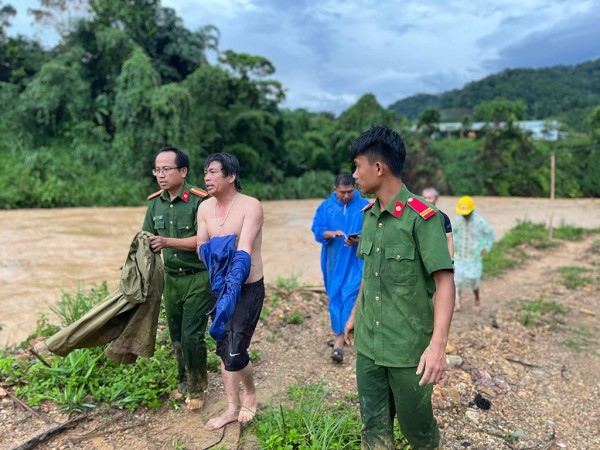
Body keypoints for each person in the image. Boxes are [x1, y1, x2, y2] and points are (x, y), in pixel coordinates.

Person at [344, 126, 455, 449]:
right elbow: (370, 274)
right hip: (368, 345)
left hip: (408, 350)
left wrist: (438, 347)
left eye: (357, 166)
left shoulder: (424, 218)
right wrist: (353, 315)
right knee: (373, 425)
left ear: (378, 168)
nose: (354, 175)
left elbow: (444, 281)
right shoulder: (368, 215)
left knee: (417, 429)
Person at [196, 152, 264, 430]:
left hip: (246, 288)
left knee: (236, 352)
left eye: (213, 172)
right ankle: (232, 408)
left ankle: (250, 392)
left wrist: (230, 265)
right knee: (224, 350)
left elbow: (244, 248)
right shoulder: (204, 208)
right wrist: (219, 248)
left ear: (231, 176)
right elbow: (202, 248)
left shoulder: (251, 206)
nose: (206, 177)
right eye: (205, 173)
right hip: (218, 288)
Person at [142, 146, 211, 410]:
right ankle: (183, 383)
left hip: (197, 276)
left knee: (192, 335)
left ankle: (197, 389)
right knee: (177, 336)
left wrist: (168, 241)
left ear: (182, 171)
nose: (161, 175)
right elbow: (146, 238)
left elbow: (205, 240)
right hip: (171, 280)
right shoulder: (154, 203)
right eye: (157, 170)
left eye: (166, 169)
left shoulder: (200, 200)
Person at [311, 173, 370, 363]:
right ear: (335, 190)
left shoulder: (364, 206)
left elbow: (373, 230)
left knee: (350, 294)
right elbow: (317, 229)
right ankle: (343, 331)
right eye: (342, 192)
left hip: (356, 260)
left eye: (350, 192)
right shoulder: (325, 207)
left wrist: (358, 238)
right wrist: (330, 233)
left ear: (355, 189)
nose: (346, 196)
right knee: (334, 295)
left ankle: (339, 342)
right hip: (333, 261)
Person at [452, 196, 495, 312]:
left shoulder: (480, 222)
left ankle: (476, 297)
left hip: (473, 257)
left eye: (466, 213)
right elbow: (450, 231)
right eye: (462, 213)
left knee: (474, 279)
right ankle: (457, 301)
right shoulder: (458, 220)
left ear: (471, 210)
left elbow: (491, 233)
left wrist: (486, 247)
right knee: (456, 280)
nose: (464, 215)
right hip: (459, 255)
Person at [422, 187, 454, 262]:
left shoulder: (443, 217)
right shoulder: (416, 216)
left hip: (438, 257)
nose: (426, 200)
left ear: (436, 199)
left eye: (429, 198)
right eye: (424, 198)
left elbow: (449, 238)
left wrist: (451, 260)